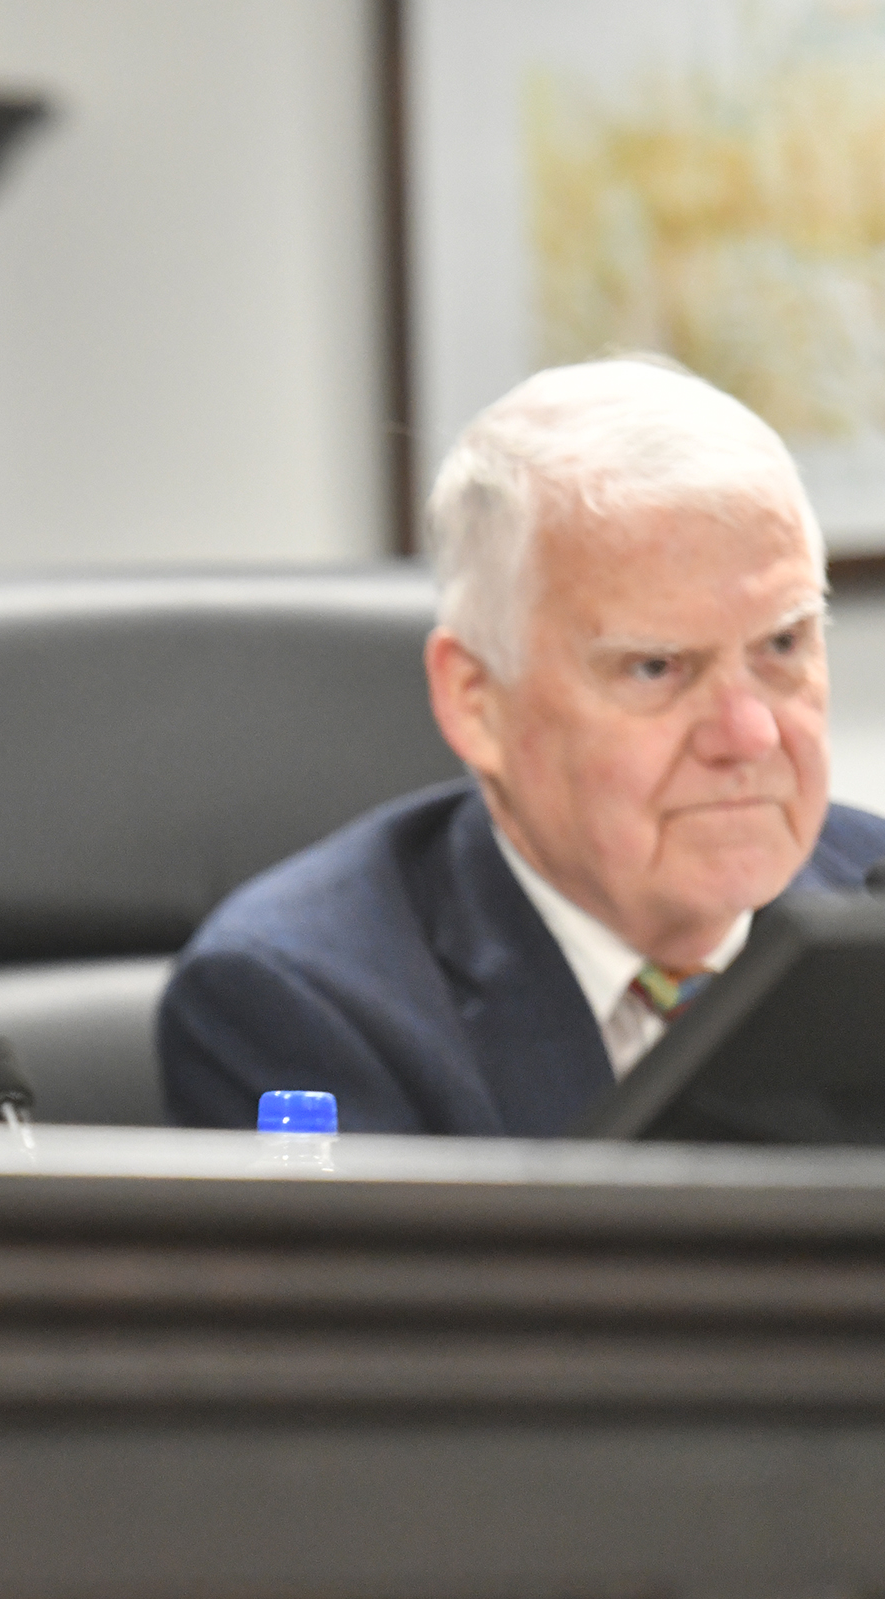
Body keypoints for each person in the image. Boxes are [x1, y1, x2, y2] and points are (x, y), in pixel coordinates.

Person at [160, 358, 885, 1136]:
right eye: (656, 666)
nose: (750, 733)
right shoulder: (303, 1005)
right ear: (476, 701)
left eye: (783, 644)